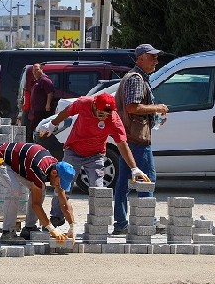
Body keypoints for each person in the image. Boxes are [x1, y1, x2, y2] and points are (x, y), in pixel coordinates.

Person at [34, 92, 151, 229]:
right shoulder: (84, 103)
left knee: (98, 189)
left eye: (106, 115)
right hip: (73, 151)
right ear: (94, 105)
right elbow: (67, 112)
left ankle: (98, 223)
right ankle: (56, 217)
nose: (103, 118)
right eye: (101, 113)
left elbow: (122, 144)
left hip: (96, 156)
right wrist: (52, 125)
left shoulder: (113, 120)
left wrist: (134, 168)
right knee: (64, 185)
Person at [112, 44, 170, 235]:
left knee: (123, 183)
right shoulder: (136, 79)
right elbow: (132, 107)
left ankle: (121, 223)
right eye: (152, 57)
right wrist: (157, 108)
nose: (156, 61)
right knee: (147, 179)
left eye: (156, 57)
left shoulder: (136, 78)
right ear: (140, 59)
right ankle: (146, 222)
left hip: (130, 136)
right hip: (137, 138)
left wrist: (155, 115)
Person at [0, 142, 76, 245]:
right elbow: (36, 204)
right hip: (0, 160)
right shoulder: (39, 168)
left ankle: (29, 228)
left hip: (19, 164)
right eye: (60, 182)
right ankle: (7, 233)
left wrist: (72, 226)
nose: (60, 185)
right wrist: (51, 229)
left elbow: (64, 203)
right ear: (54, 173)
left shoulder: (56, 168)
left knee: (40, 189)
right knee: (14, 189)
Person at [27, 63, 57, 139]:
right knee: (35, 128)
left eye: (37, 69)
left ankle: (33, 142)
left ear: (41, 70)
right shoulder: (37, 81)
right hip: (36, 110)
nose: (35, 72)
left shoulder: (45, 80)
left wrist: (48, 104)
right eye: (33, 70)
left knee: (34, 128)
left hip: (42, 110)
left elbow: (50, 93)